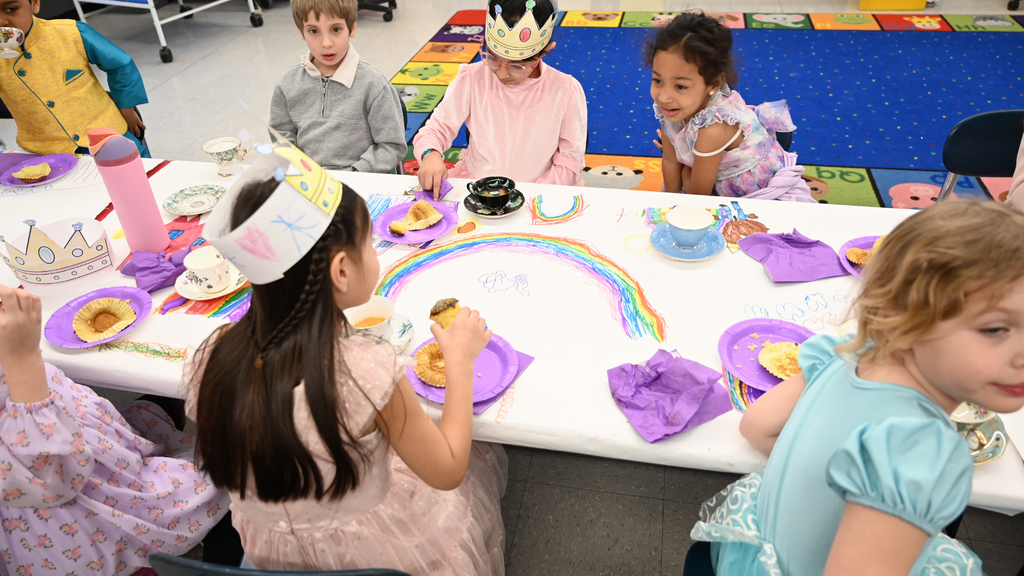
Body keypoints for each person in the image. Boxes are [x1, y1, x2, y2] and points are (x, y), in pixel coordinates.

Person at [186, 149, 507, 573]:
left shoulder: (213, 354)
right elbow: (447, 470)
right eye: (369, 245)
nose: (374, 256)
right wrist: (460, 361)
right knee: (479, 458)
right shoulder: (365, 370)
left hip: (270, 555)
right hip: (370, 552)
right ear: (341, 271)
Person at [689, 200, 1024, 575]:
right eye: (995, 329)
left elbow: (756, 425)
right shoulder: (920, 451)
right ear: (903, 320)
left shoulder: (847, 352)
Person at [0, 285, 232, 575]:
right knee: (234, 467)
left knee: (155, 411)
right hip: (92, 514)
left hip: (100, 451)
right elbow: (50, 473)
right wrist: (23, 360)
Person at [414, 0, 587, 196]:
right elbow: (436, 129)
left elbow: (570, 159)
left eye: (517, 66)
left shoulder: (566, 90)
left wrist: (533, 194)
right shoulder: (471, 79)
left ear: (544, 52)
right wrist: (431, 154)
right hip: (478, 188)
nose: (502, 74)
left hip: (540, 191)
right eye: (492, 58)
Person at [648, 13, 812, 201]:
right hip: (706, 171)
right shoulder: (673, 107)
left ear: (714, 85)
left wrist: (686, 171)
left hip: (753, 191)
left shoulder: (713, 129)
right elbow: (669, 159)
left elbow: (698, 198)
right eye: (658, 80)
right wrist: (668, 201)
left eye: (680, 86)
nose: (664, 97)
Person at [269, 0, 405, 172]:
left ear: (352, 28)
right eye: (314, 31)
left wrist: (358, 172)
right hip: (307, 182)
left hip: (359, 182)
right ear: (302, 32)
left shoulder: (374, 85)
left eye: (335, 30)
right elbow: (281, 138)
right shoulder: (287, 85)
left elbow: (392, 146)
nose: (326, 43)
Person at [0, 0, 148, 156]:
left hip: (109, 136)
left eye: (11, 9)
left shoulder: (72, 32)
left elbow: (120, 64)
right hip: (47, 153)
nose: (1, 21)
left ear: (35, 4)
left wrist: (127, 110)